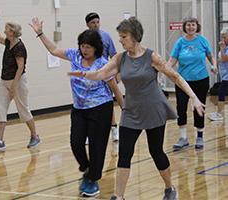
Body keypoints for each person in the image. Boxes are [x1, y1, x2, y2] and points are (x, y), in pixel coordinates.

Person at [68, 17, 205, 200]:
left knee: (156, 152)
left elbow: (175, 77)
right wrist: (85, 73)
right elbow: (102, 73)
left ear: (134, 37)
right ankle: (119, 195)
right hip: (131, 112)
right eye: (120, 36)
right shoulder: (120, 58)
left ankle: (169, 188)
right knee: (124, 154)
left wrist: (194, 97)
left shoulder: (152, 57)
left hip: (153, 110)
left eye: (124, 36)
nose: (120, 40)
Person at [29, 17, 123, 197]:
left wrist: (125, 109)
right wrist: (40, 33)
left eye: (88, 47)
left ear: (96, 47)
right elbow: (54, 49)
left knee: (97, 146)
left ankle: (92, 180)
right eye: (82, 46)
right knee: (76, 143)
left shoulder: (103, 64)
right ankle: (87, 169)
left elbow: (115, 89)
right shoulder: (74, 56)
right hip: (79, 109)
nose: (84, 49)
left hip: (101, 108)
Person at [0, 10, 40, 151]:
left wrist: (14, 87)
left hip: (18, 81)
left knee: (23, 110)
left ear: (12, 32)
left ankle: (35, 136)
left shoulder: (19, 47)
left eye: (7, 29)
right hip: (4, 80)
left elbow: (20, 68)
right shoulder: (7, 42)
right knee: (1, 108)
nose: (4, 31)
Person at [168, 17, 217, 151]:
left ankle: (199, 136)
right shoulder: (180, 42)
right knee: (181, 107)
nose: (190, 27)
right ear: (185, 27)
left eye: (193, 25)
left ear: (197, 27)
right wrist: (165, 70)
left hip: (201, 80)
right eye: (188, 25)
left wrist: (214, 65)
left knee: (199, 108)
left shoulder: (202, 41)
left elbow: (210, 56)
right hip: (182, 81)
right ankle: (183, 137)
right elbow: (173, 59)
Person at [85, 12, 119, 142]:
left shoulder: (106, 36)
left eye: (98, 22)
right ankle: (89, 132)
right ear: (88, 24)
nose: (96, 25)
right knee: (89, 103)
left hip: (105, 74)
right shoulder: (85, 38)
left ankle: (114, 128)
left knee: (107, 101)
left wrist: (116, 73)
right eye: (93, 22)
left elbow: (113, 56)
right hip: (90, 74)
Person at [208, 27, 228, 121]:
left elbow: (224, 59)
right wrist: (215, 67)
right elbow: (221, 60)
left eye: (224, 37)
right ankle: (219, 113)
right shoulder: (226, 47)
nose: (222, 39)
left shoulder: (225, 48)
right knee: (221, 91)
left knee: (221, 91)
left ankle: (219, 114)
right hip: (224, 75)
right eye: (222, 37)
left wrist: (222, 48)